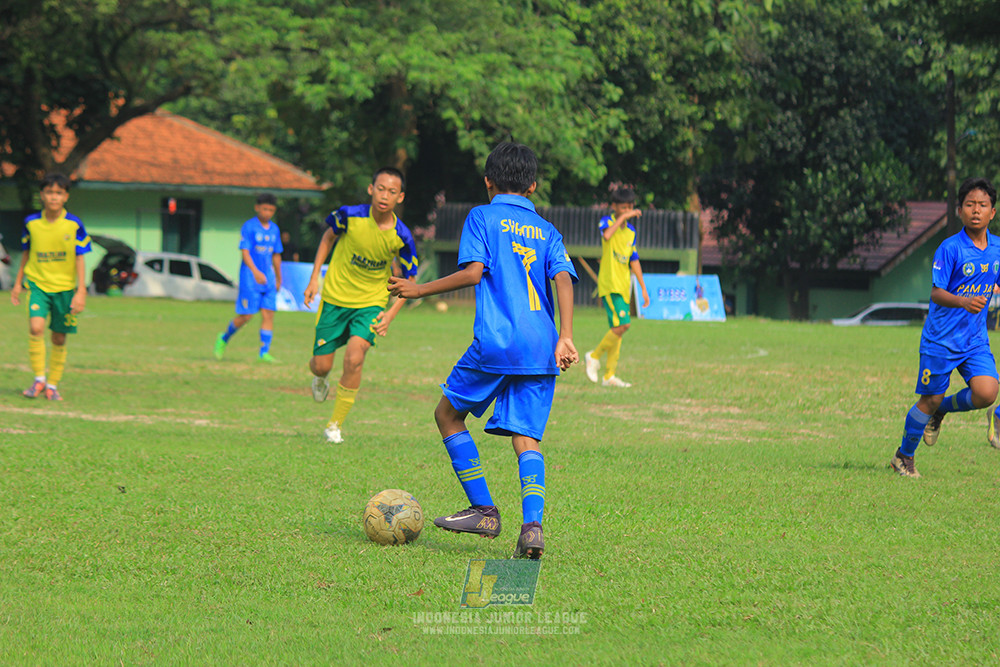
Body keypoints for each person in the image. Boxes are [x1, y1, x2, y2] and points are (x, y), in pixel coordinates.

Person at [388, 142, 578, 560]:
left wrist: (418, 289)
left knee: (447, 414)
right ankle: (532, 528)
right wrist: (565, 335)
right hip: (542, 346)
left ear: (488, 181)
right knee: (527, 438)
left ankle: (483, 509)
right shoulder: (547, 230)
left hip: (496, 342)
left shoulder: (482, 216)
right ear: (533, 184)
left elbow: (473, 273)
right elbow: (563, 276)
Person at [892, 176, 1000, 478]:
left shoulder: (997, 250)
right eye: (969, 205)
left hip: (975, 340)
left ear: (993, 212)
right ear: (959, 211)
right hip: (941, 340)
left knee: (987, 392)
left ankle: (942, 412)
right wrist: (964, 301)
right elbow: (936, 293)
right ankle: (904, 457)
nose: (976, 210)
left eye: (982, 205)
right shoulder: (950, 248)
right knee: (930, 398)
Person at [304, 167, 418, 444]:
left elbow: (411, 280)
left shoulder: (402, 236)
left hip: (371, 303)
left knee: (355, 357)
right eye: (380, 188)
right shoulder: (348, 216)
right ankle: (320, 379)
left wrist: (390, 314)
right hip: (335, 298)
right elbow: (328, 238)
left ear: (400, 197)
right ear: (371, 189)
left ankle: (335, 425)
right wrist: (314, 278)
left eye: (392, 191)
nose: (385, 195)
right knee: (320, 366)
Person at [10, 173, 92, 401]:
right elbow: (26, 253)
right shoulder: (32, 223)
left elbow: (80, 258)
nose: (53, 197)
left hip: (65, 289)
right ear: (42, 196)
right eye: (49, 192)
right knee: (36, 328)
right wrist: (18, 284)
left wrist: (81, 291)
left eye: (58, 193)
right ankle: (38, 380)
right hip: (38, 285)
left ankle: (52, 385)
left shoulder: (74, 224)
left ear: (65, 196)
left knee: (59, 338)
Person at [583, 186, 650, 388]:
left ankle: (609, 376)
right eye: (624, 207)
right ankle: (593, 356)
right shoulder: (607, 221)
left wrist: (643, 287)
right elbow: (607, 236)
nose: (628, 210)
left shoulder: (631, 232)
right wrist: (622, 217)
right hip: (610, 284)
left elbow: (634, 259)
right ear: (614, 207)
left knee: (617, 330)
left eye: (630, 207)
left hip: (624, 286)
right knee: (624, 325)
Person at [214, 193, 283, 362]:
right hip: (250, 278)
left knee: (268, 314)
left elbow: (276, 255)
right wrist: (255, 272)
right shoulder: (249, 227)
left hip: (268, 279)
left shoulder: (274, 229)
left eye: (271, 210)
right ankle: (223, 338)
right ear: (257, 207)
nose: (268, 213)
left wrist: (279, 277)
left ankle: (263, 353)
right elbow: (245, 253)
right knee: (247, 316)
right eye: (265, 209)